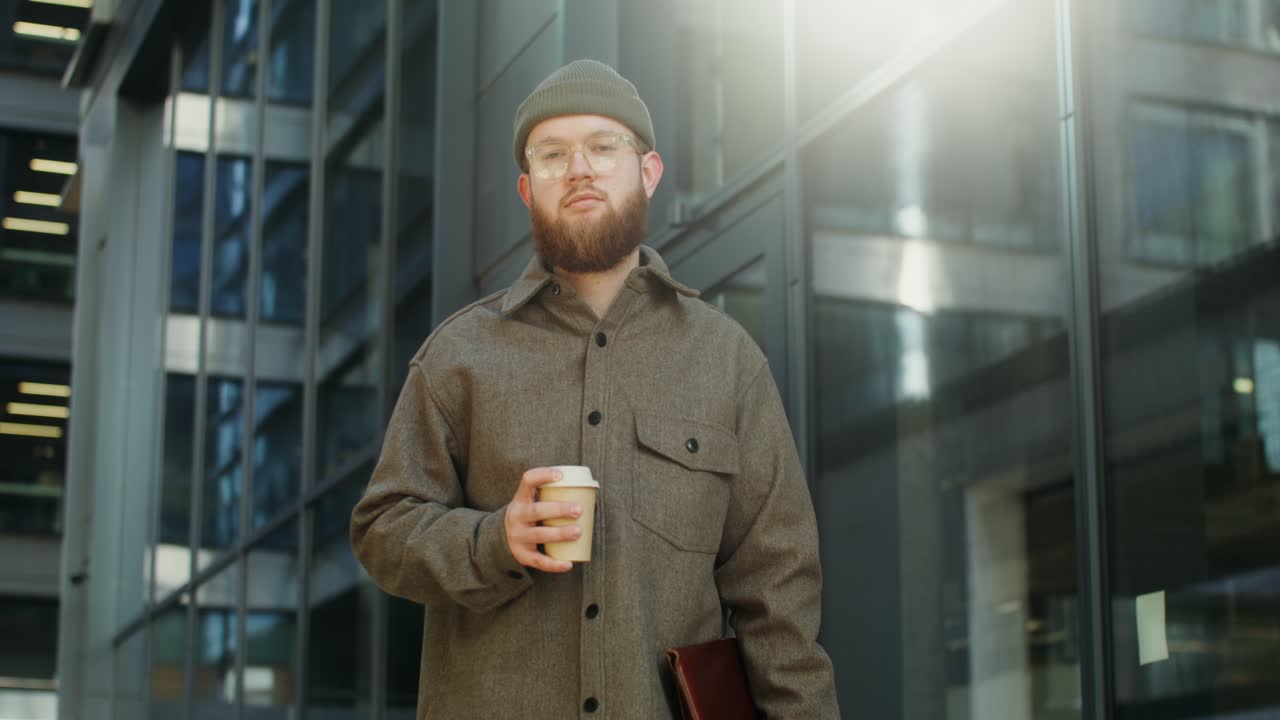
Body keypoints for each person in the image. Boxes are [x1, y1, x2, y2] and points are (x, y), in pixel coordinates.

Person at [350, 59, 840, 719]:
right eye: (552, 155)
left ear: (649, 172)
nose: (578, 169)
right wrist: (495, 540)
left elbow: (778, 594)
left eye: (603, 147)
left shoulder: (726, 360)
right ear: (527, 189)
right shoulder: (459, 355)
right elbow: (382, 531)